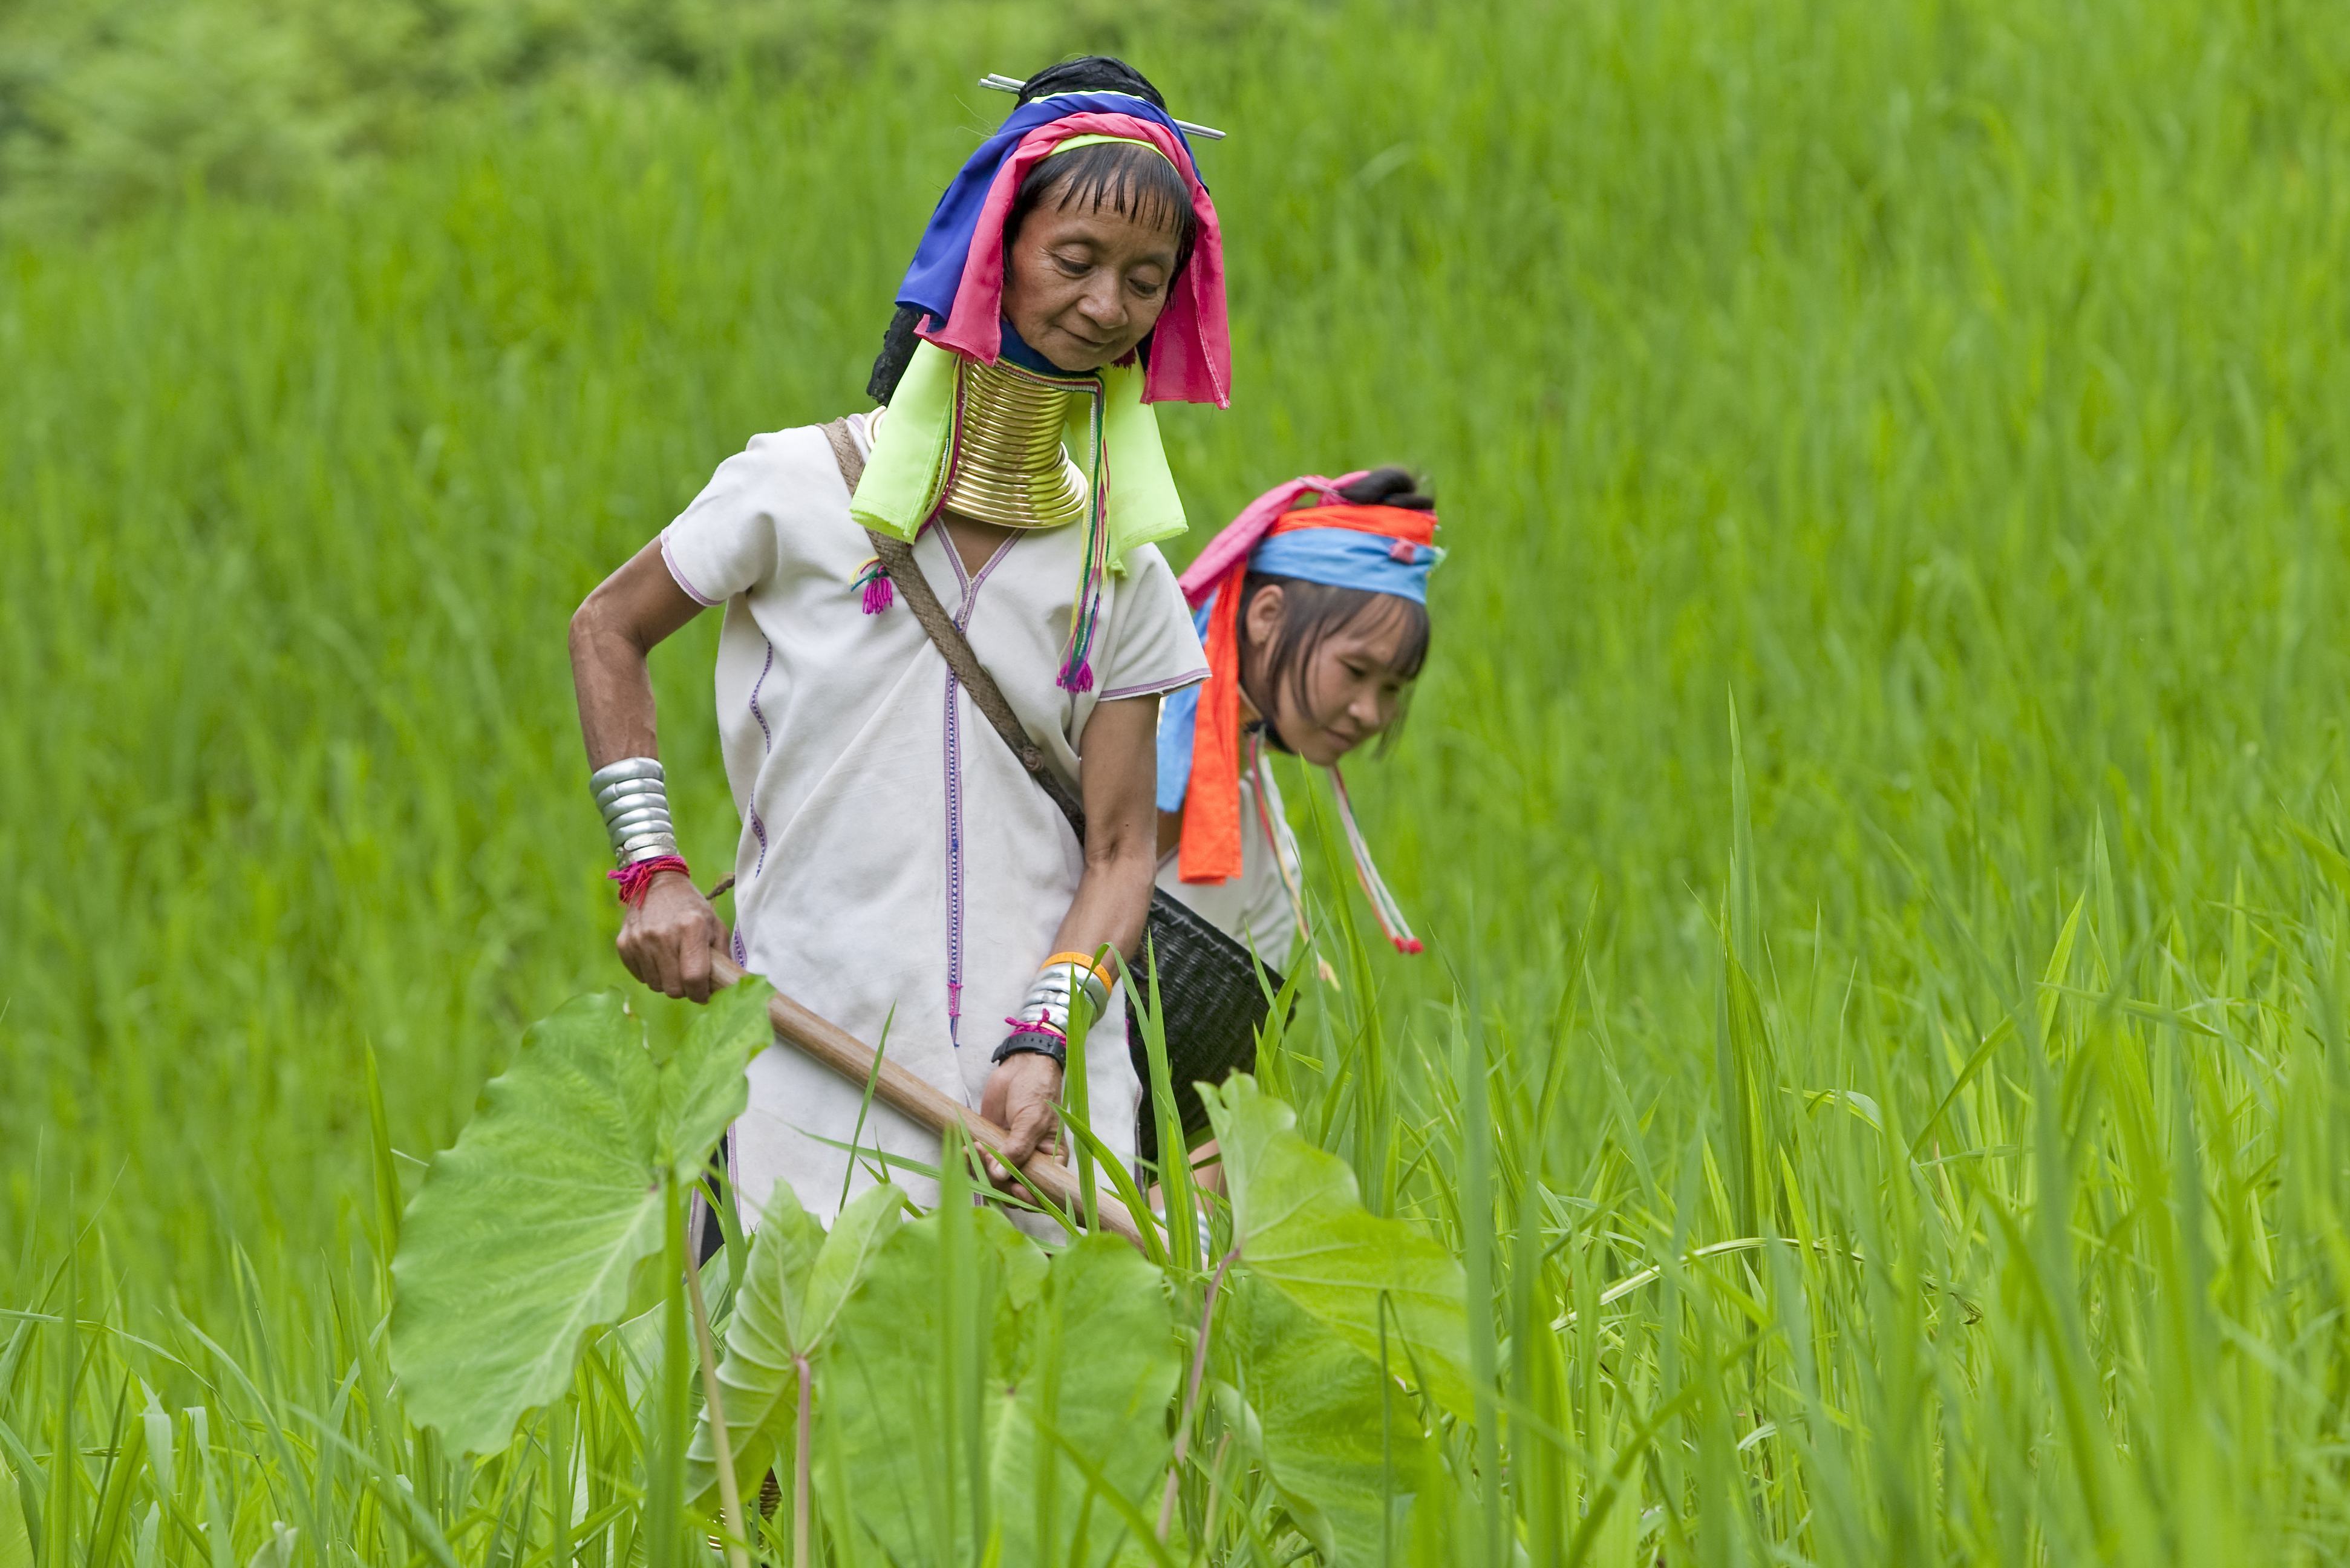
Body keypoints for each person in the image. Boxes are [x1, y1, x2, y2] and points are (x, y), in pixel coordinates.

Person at [566, 57, 1229, 1228]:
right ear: (993, 252)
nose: (1106, 305)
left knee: (1055, 1397)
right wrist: (651, 871)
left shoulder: (1118, 559)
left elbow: (1124, 850)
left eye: (1143, 279)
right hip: (813, 1043)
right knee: (811, 1381)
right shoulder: (796, 487)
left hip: (1035, 1087)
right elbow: (607, 629)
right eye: (1073, 261)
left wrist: (1043, 1043)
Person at [1149, 468, 1441, 1185]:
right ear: (1267, 613)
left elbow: (1219, 1092)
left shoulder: (1254, 796)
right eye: (1358, 671)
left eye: (1392, 690)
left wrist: (1192, 1240)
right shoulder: (1160, 762)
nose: (1371, 713)